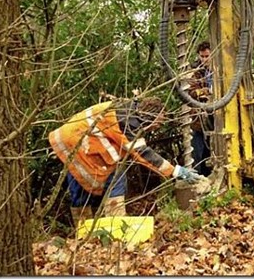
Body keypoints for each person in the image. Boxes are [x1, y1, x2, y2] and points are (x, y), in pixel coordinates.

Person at [48, 96, 202, 225]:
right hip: (79, 143)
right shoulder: (127, 122)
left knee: (78, 178)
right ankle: (116, 226)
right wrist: (175, 171)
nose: (157, 128)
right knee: (116, 178)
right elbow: (142, 154)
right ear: (150, 117)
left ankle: (83, 229)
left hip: (68, 140)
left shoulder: (127, 109)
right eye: (158, 123)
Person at [189, 41, 214, 176]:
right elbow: (190, 92)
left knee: (211, 151)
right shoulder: (194, 71)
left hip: (216, 118)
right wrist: (207, 91)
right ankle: (197, 178)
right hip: (199, 119)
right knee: (197, 152)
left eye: (207, 56)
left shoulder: (220, 69)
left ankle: (209, 176)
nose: (204, 59)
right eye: (202, 56)